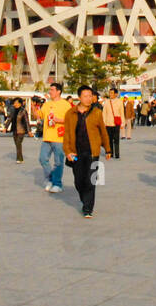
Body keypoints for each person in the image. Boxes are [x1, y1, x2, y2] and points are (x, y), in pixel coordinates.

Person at [63, 85, 110, 218]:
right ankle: (85, 199)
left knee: (91, 180)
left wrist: (107, 149)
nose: (89, 98)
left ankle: (88, 208)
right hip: (76, 153)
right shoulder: (70, 113)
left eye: (90, 96)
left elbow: (103, 131)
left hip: (92, 153)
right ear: (79, 97)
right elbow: (66, 134)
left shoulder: (96, 112)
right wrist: (68, 151)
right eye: (85, 96)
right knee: (78, 181)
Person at [37, 83, 70, 193]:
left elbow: (71, 120)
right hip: (47, 136)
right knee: (42, 158)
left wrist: (58, 120)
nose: (50, 91)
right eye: (50, 89)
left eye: (52, 89)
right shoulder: (47, 104)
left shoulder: (65, 105)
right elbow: (39, 116)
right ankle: (50, 178)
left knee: (58, 162)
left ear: (58, 91)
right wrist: (34, 106)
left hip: (59, 137)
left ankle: (57, 184)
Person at [101, 88, 124, 160]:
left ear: (116, 94)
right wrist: (103, 122)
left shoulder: (119, 102)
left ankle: (117, 154)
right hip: (108, 123)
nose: (110, 94)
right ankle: (110, 153)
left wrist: (122, 123)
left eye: (112, 93)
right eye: (110, 93)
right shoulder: (107, 102)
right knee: (109, 139)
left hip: (116, 123)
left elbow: (122, 113)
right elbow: (104, 113)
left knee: (116, 139)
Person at [8, 97, 29, 162]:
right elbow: (10, 119)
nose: (15, 104)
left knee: (18, 143)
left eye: (16, 103)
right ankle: (20, 158)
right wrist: (5, 127)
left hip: (21, 130)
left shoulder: (23, 111)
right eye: (14, 103)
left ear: (20, 104)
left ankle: (19, 159)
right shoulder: (13, 110)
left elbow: (26, 121)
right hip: (14, 129)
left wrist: (29, 131)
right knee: (17, 144)